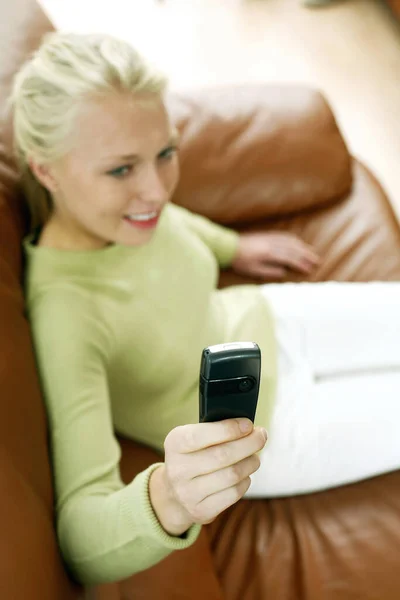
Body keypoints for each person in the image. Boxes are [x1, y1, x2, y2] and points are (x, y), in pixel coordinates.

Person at [10, 32, 400, 586]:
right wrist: (167, 497)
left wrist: (234, 247)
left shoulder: (125, 211)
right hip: (269, 429)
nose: (156, 189)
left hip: (266, 319)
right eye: (122, 170)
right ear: (46, 171)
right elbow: (80, 536)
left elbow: (171, 222)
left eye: (165, 153)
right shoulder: (66, 317)